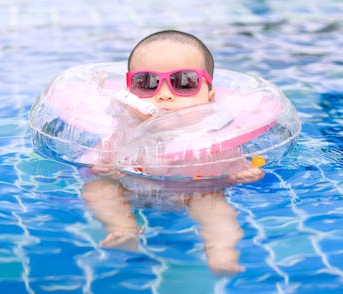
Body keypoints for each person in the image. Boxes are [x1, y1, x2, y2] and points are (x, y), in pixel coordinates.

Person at [82, 30, 264, 274]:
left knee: (215, 205)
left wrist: (241, 174)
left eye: (184, 82)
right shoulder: (126, 128)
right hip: (131, 188)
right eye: (147, 83)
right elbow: (97, 161)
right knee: (97, 189)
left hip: (193, 192)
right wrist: (102, 169)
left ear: (210, 95)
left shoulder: (213, 135)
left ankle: (222, 252)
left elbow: (236, 168)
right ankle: (122, 229)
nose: (164, 94)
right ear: (130, 91)